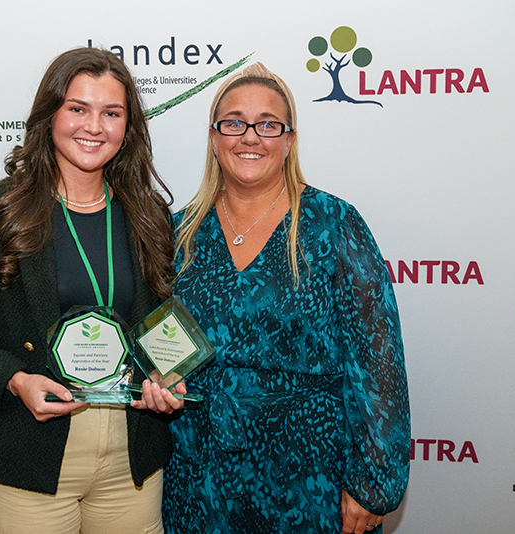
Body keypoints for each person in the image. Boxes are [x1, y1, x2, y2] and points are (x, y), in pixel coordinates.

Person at [0, 47, 184, 534]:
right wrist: (14, 379)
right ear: (50, 115)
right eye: (78, 108)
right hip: (32, 446)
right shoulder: (1, 207)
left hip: (131, 453)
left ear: (128, 126)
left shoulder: (147, 213)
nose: (94, 127)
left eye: (112, 113)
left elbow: (158, 317)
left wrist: (167, 373)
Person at [163, 63, 410, 534]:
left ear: (290, 139)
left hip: (309, 474)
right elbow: (159, 342)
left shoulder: (333, 224)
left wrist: (373, 483)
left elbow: (378, 360)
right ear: (214, 138)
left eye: (268, 124)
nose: (250, 137)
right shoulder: (179, 233)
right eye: (234, 123)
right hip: (198, 474)